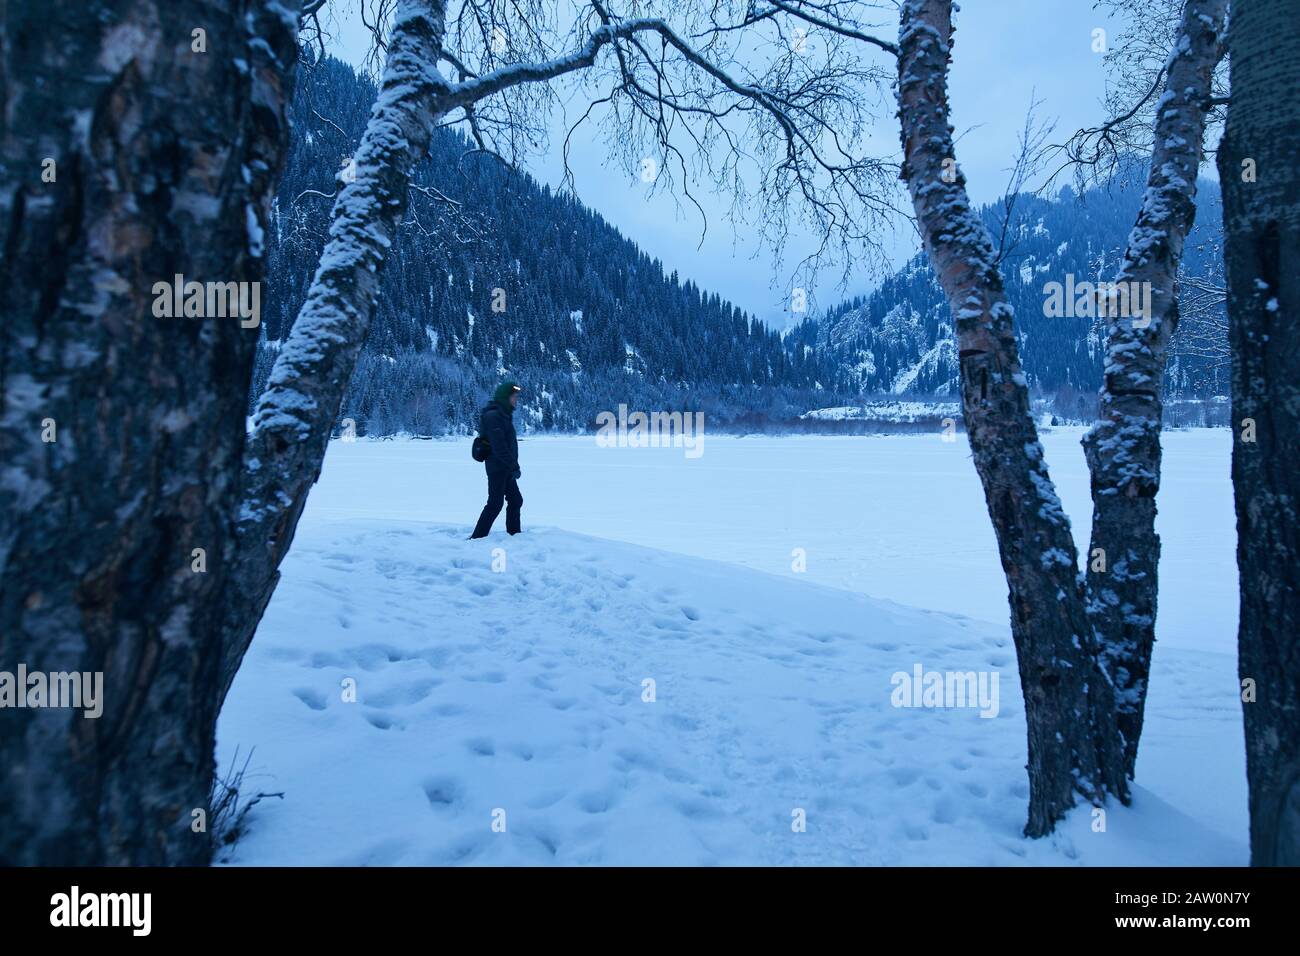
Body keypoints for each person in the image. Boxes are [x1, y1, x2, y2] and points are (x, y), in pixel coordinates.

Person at [470, 381, 523, 538]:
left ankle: (514, 534)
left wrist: (512, 466)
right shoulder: (494, 416)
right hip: (498, 468)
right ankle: (477, 537)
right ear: (505, 397)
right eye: (514, 397)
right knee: (495, 504)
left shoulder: (503, 415)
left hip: (505, 467)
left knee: (516, 500)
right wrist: (514, 466)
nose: (516, 400)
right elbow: (499, 446)